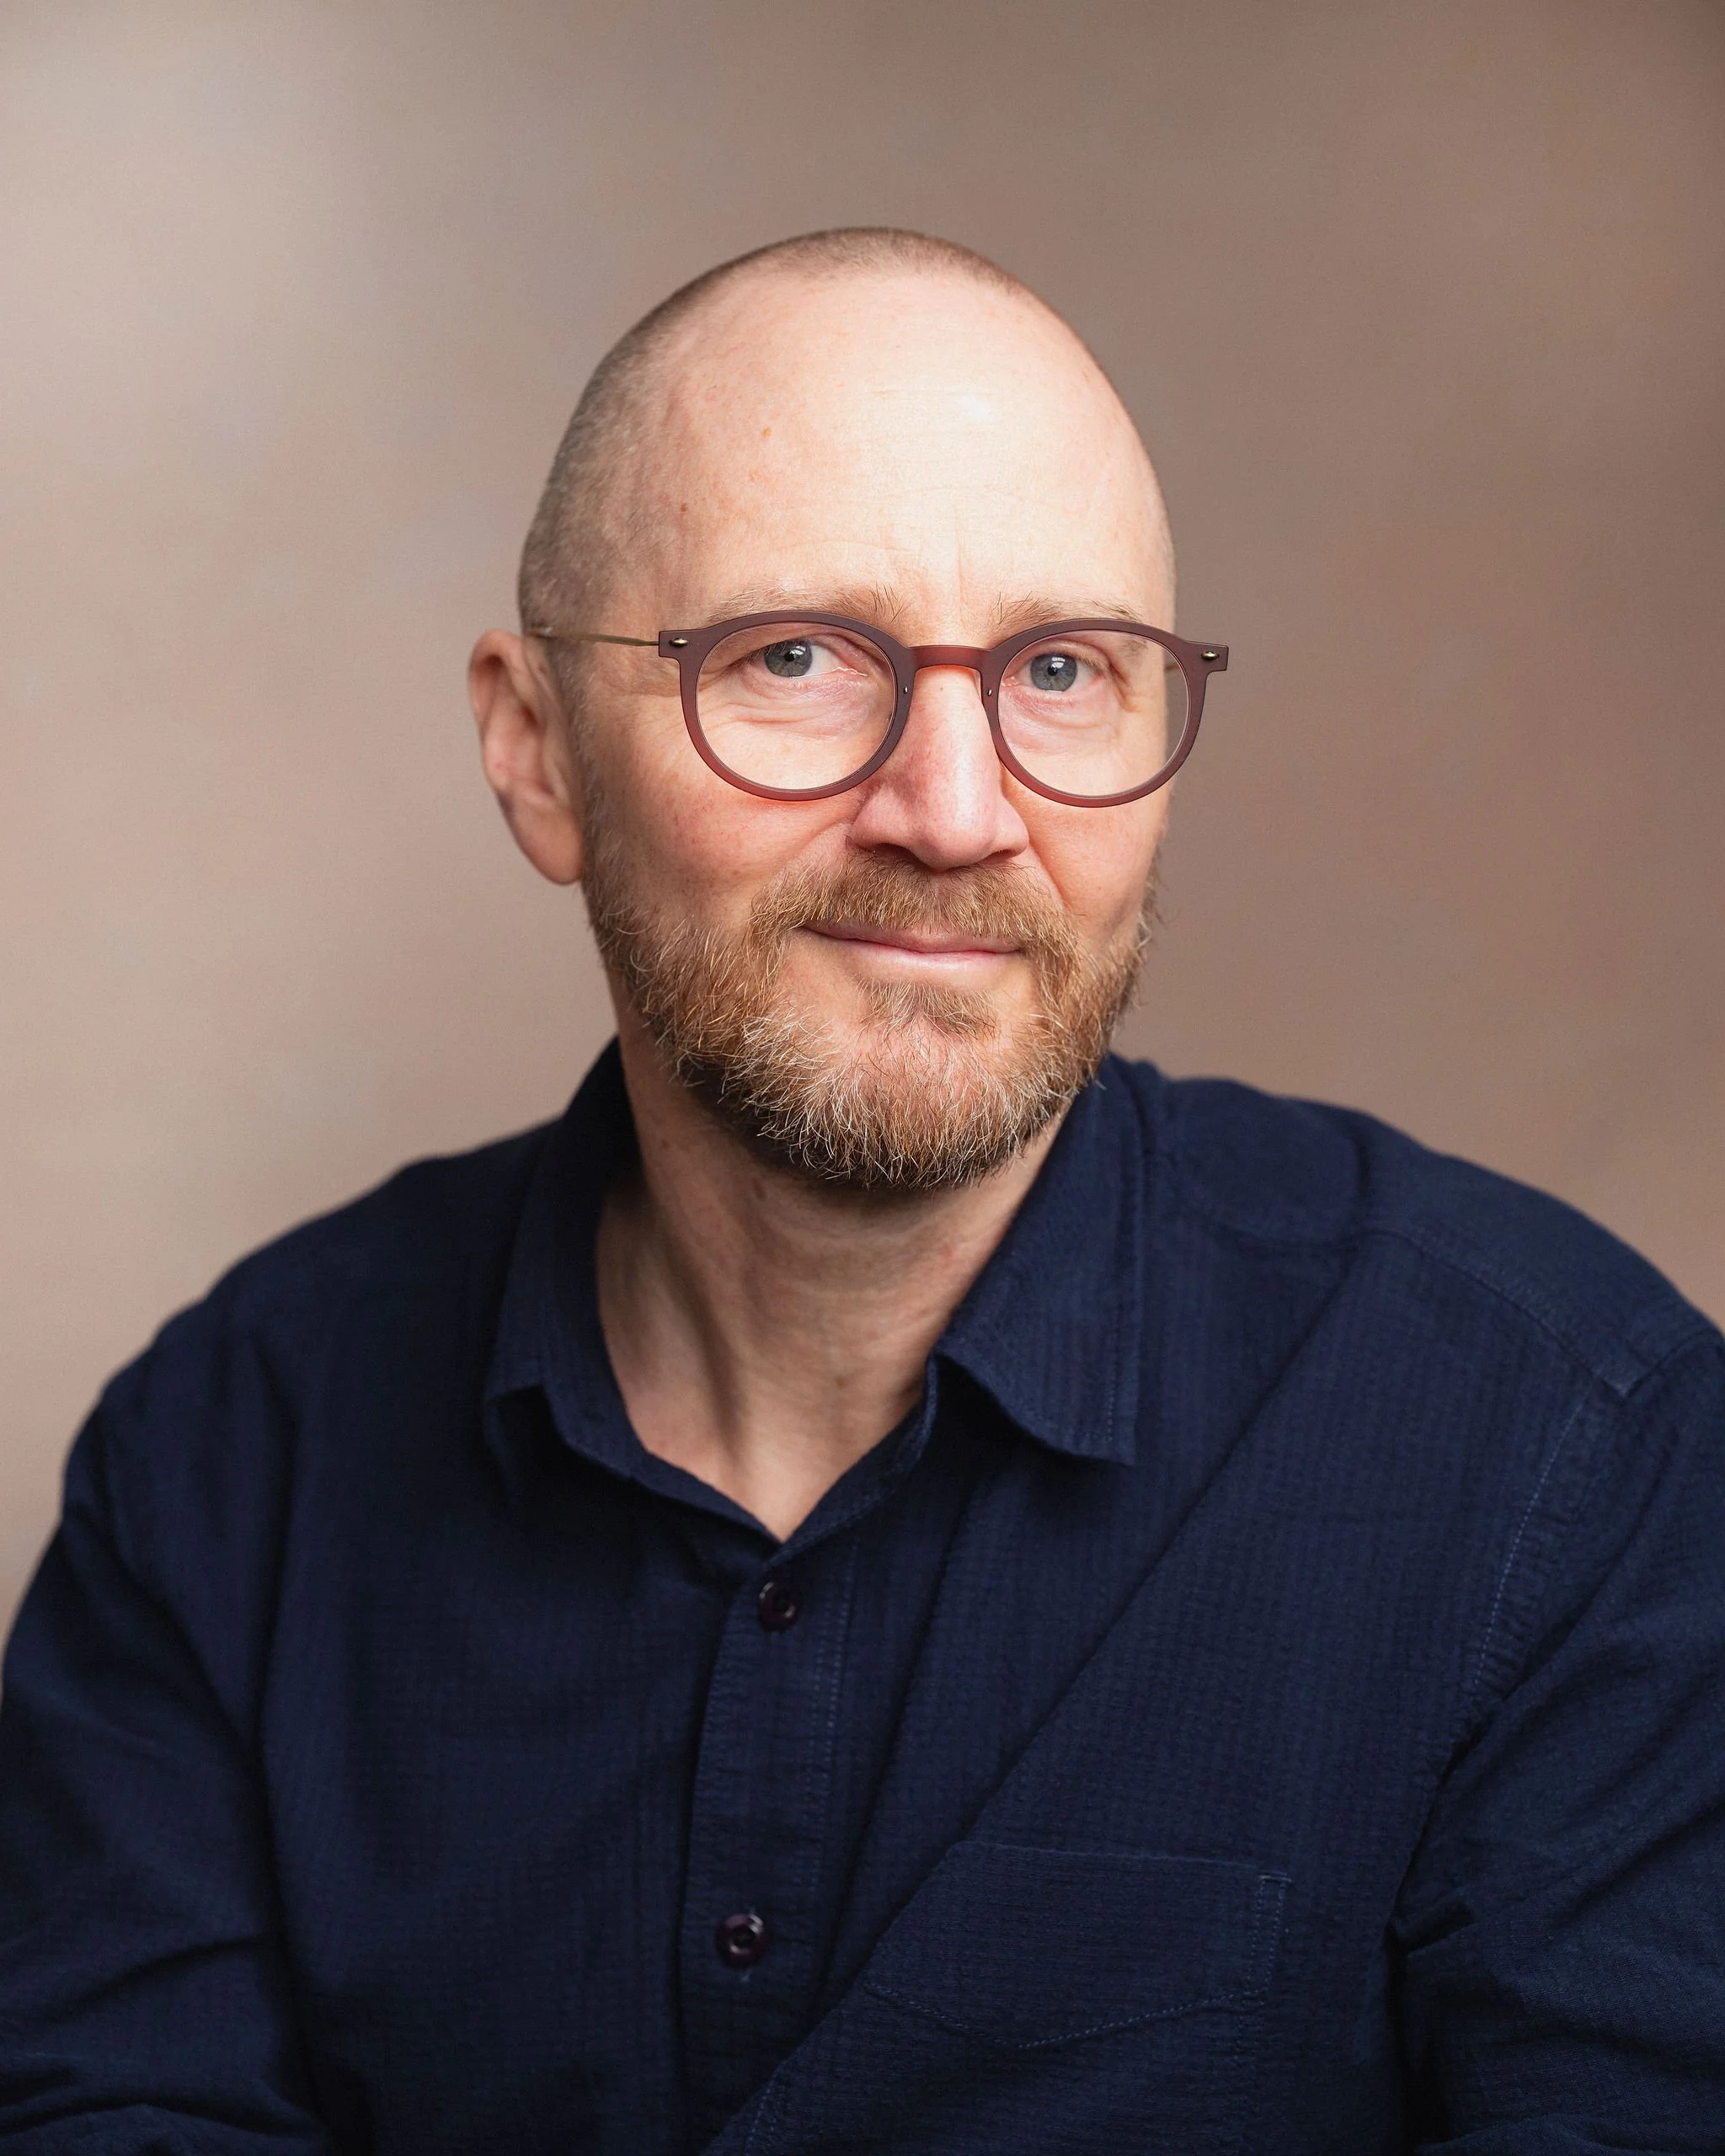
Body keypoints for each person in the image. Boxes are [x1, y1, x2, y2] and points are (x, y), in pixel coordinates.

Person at [0, 227, 1720, 2156]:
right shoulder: (223, 1471)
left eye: (1064, 669)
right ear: (535, 746)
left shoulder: (1576, 1454)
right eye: (799, 657)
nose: (957, 807)